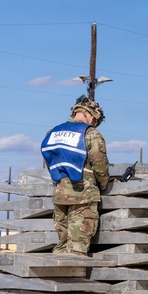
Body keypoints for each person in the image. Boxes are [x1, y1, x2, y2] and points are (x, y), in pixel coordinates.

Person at [40, 97, 109, 256]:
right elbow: (100, 165)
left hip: (59, 196)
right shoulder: (90, 134)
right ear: (91, 115)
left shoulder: (53, 132)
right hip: (82, 196)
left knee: (62, 246)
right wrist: (104, 185)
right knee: (77, 249)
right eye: (95, 121)